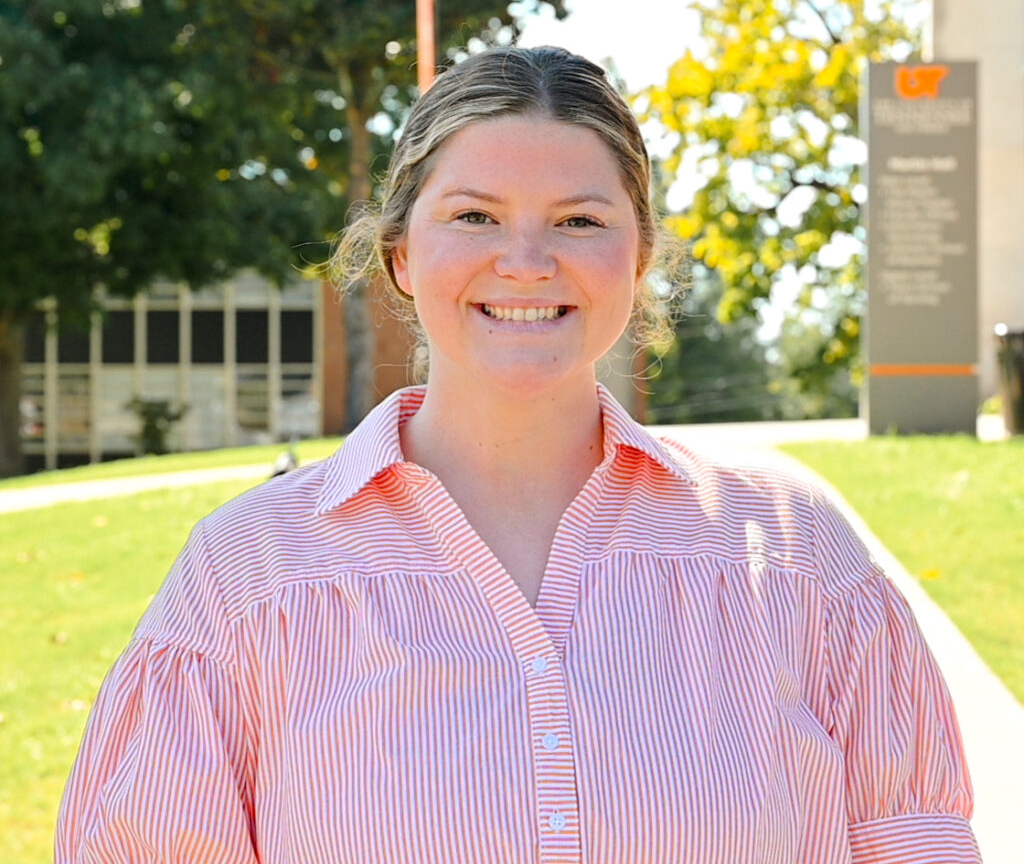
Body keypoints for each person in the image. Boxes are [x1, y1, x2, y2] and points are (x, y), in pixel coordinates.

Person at [56, 46, 981, 863]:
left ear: (640, 254)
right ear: (401, 258)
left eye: (580, 221)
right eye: (474, 216)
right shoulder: (245, 582)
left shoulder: (799, 558)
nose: (529, 260)